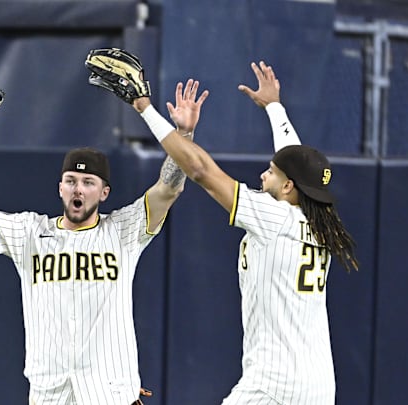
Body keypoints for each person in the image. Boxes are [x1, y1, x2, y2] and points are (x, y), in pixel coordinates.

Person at [0, 84, 205, 404]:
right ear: (60, 188)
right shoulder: (29, 232)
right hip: (50, 393)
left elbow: (169, 188)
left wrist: (183, 135)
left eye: (88, 182)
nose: (78, 188)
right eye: (71, 181)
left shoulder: (124, 230)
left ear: (104, 192)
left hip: (110, 393)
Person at [132, 62, 358, 405]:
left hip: (274, 385)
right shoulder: (319, 217)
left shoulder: (274, 217)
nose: (263, 173)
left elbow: (199, 169)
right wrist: (273, 106)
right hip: (319, 386)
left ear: (288, 186)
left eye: (271, 171)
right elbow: (294, 159)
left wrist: (145, 109)